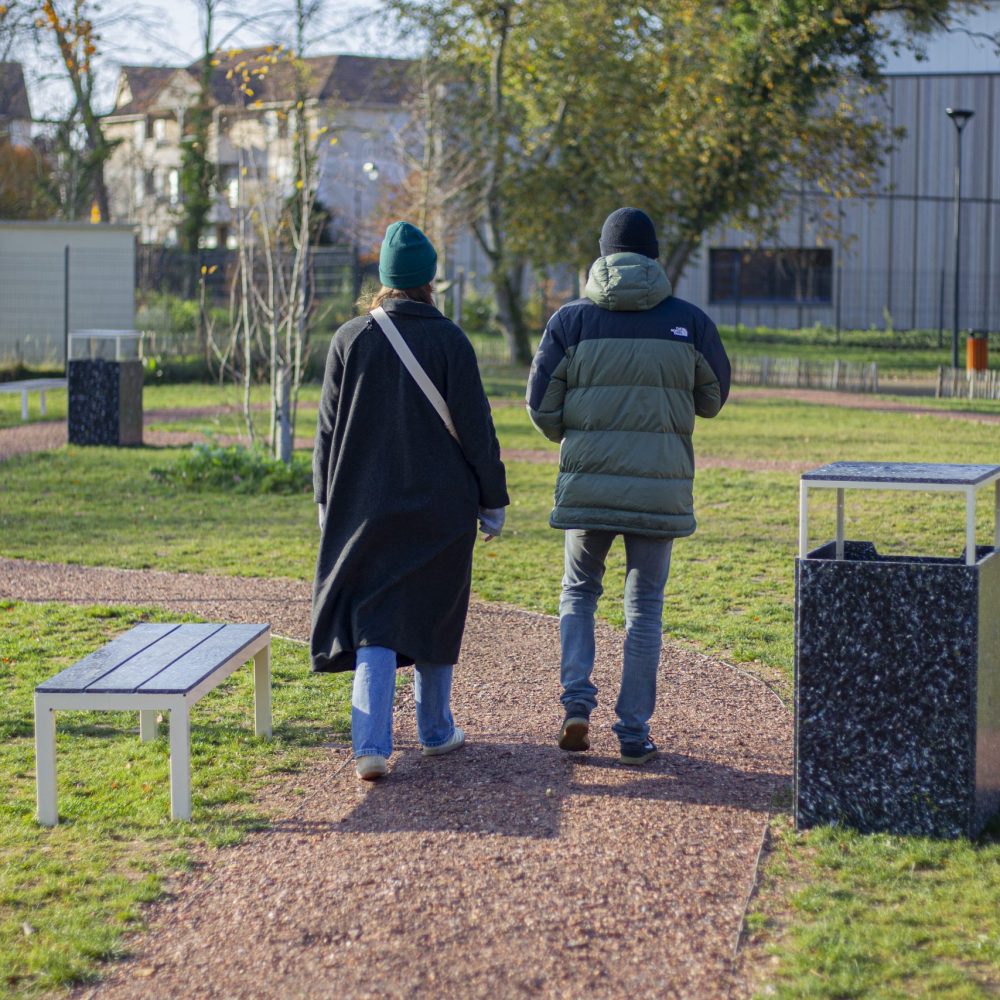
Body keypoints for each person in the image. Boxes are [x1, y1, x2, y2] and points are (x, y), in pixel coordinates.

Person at [525, 207, 730, 766]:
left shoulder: (570, 322)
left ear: (603, 255)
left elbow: (540, 407)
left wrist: (577, 434)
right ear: (654, 256)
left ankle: (575, 705)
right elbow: (712, 401)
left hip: (588, 487)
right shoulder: (690, 322)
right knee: (644, 610)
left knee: (578, 592)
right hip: (657, 491)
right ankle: (634, 732)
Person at [312, 220, 509, 781]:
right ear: (429, 281)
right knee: (435, 612)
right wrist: (492, 501)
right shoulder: (451, 340)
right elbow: (477, 429)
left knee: (374, 619)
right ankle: (435, 729)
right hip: (442, 506)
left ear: (384, 279)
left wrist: (326, 501)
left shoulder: (349, 339)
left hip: (364, 506)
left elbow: (326, 431)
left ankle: (371, 745)